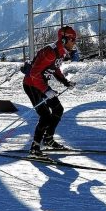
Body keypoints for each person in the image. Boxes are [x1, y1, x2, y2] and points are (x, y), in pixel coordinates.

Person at [23, 26, 77, 155]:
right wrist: (46, 90)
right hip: (31, 84)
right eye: (73, 40)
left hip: (41, 84)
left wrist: (65, 82)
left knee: (58, 109)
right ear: (64, 40)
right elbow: (34, 74)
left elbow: (55, 68)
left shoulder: (61, 51)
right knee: (45, 115)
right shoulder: (50, 52)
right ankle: (35, 147)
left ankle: (48, 139)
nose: (74, 42)